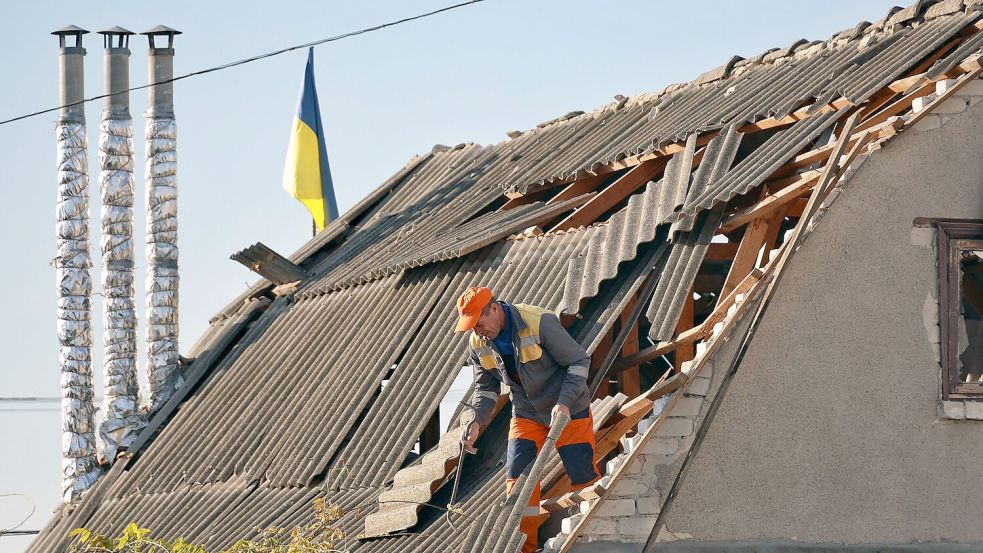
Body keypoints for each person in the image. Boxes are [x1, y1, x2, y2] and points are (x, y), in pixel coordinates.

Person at [455, 286, 600, 553]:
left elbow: (579, 362)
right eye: (471, 326)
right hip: (526, 413)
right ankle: (525, 549)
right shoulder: (477, 344)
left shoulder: (539, 322)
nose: (477, 331)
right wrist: (476, 421)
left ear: (495, 309)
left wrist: (564, 402)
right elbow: (485, 389)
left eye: (479, 323)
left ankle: (595, 541)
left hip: (570, 409)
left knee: (582, 475)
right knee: (518, 488)